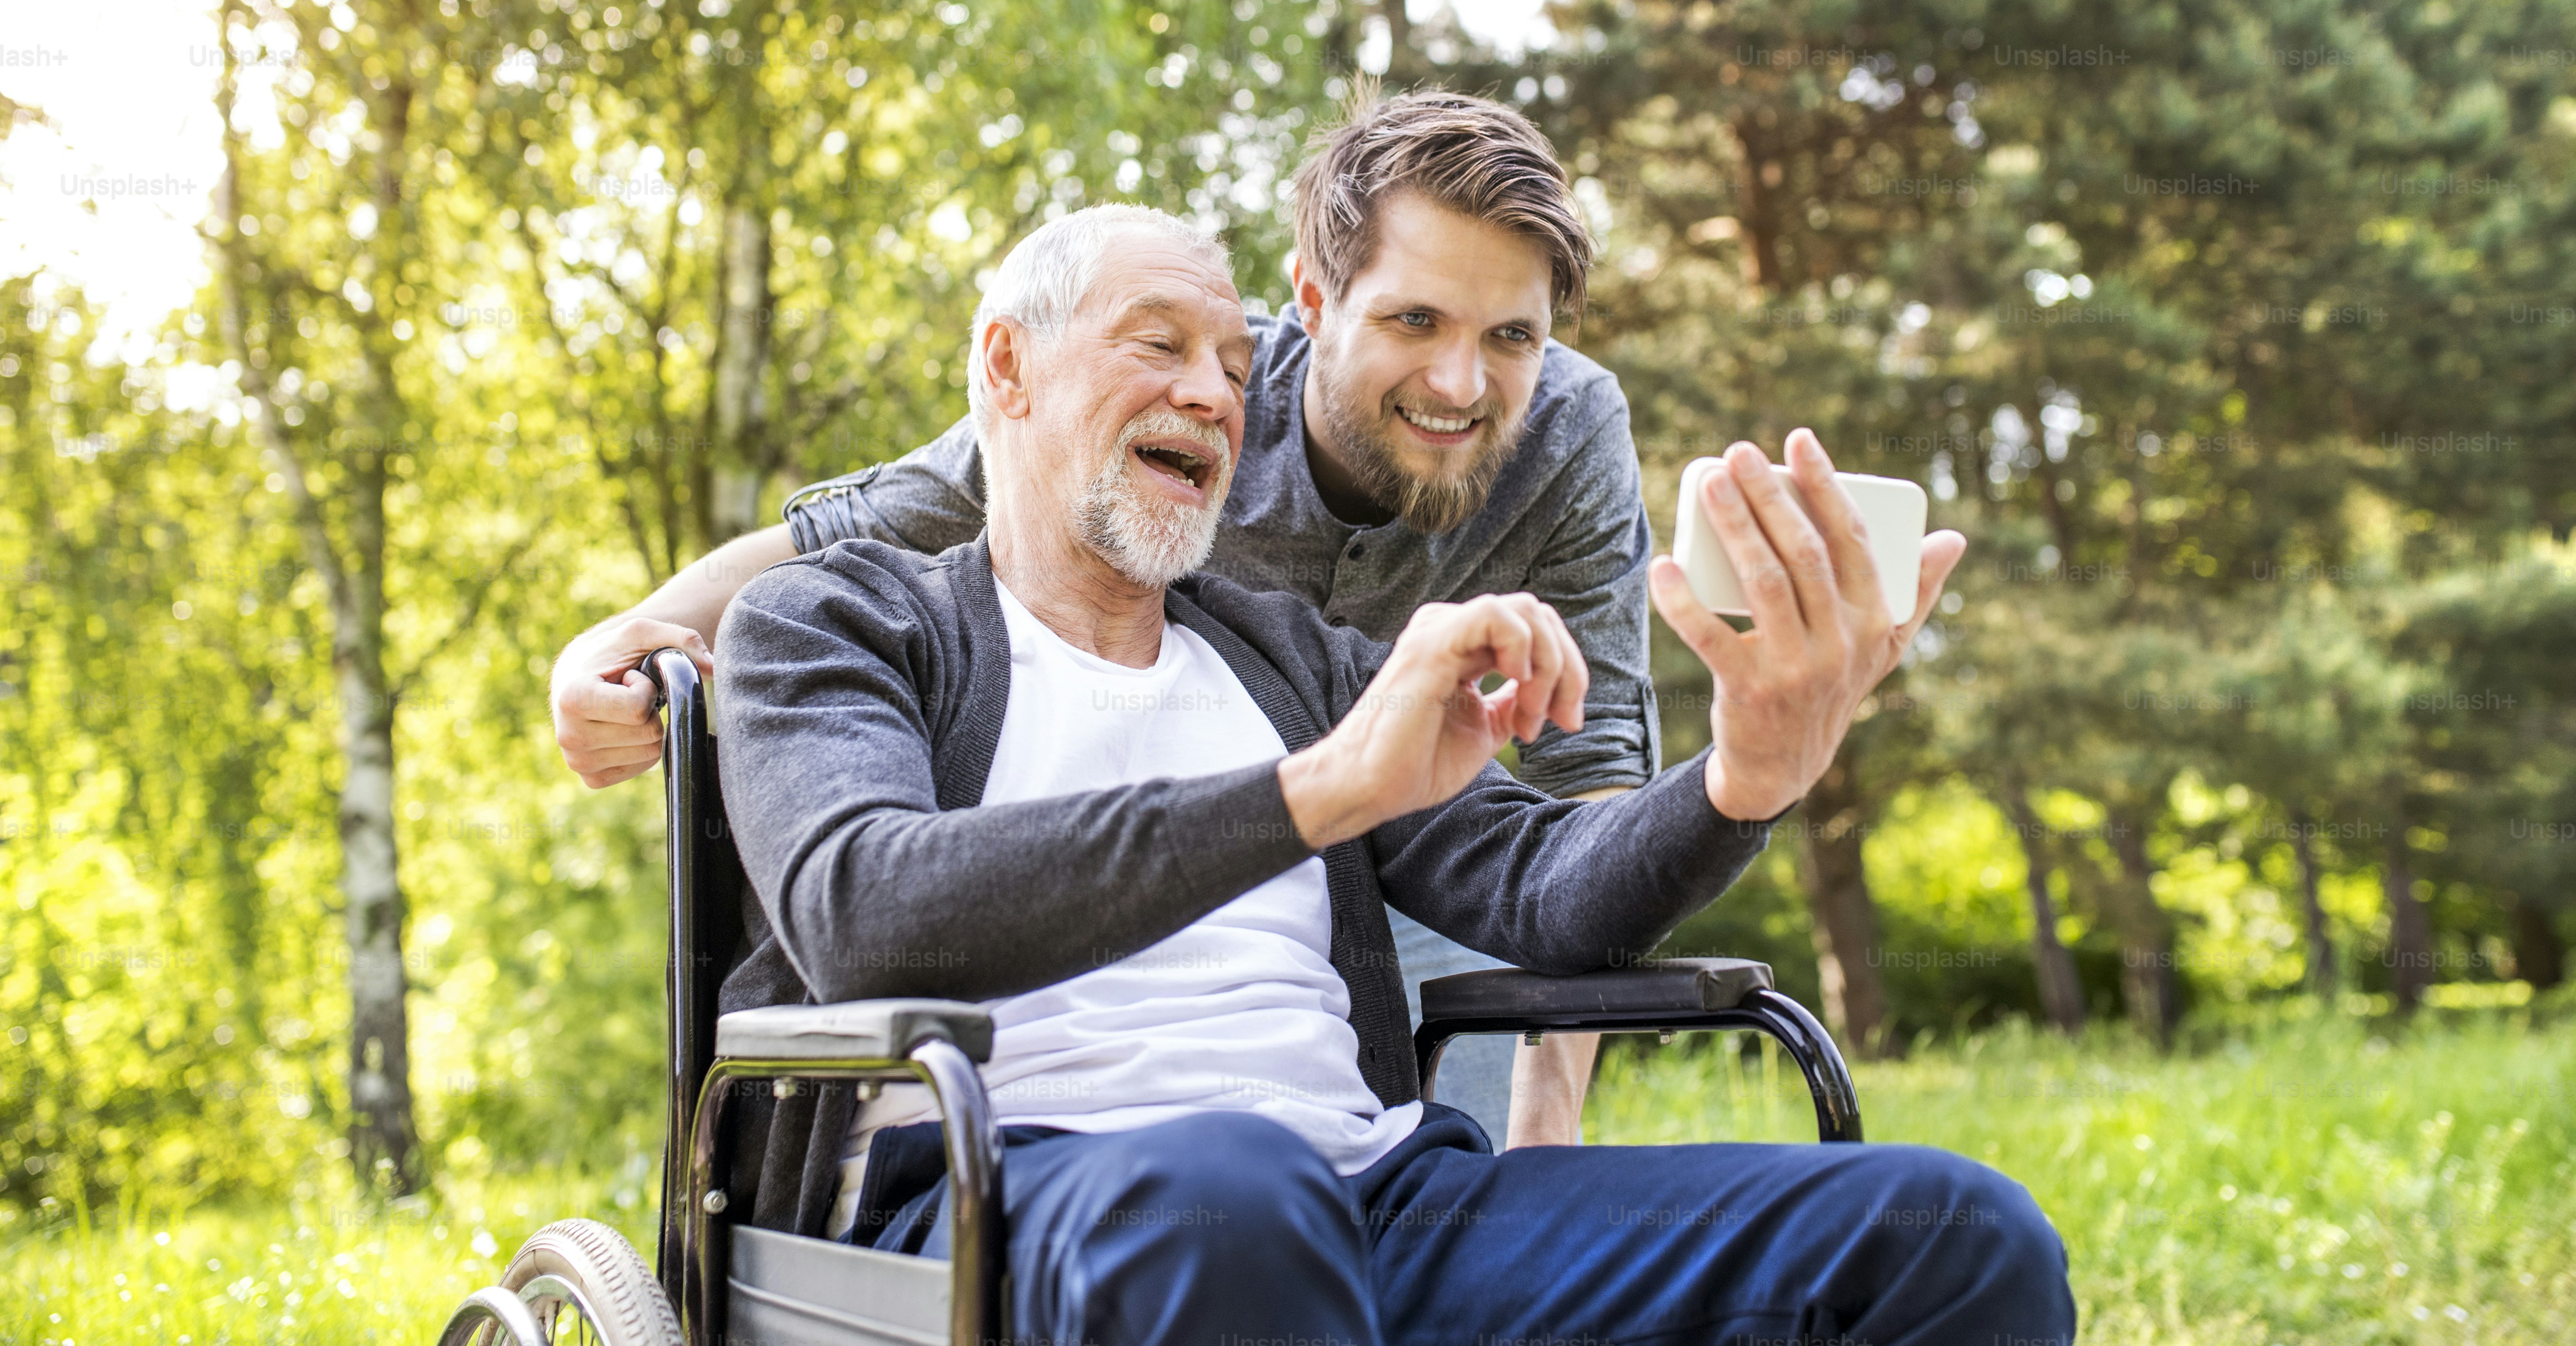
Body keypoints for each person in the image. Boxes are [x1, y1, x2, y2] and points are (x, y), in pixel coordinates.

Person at [710, 207, 2068, 1346]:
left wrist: (1744, 775)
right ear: (1007, 366)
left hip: (1372, 1202)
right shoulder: (839, 623)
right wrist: (1315, 793)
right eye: (1159, 345)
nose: (1213, 394)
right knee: (1239, 1196)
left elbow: (1543, 891)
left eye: (1234, 365)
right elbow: (866, 911)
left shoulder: (1295, 661)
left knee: (1954, 1235)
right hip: (1004, 1207)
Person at [555, 87, 1666, 1146]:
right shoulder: (1171, 402)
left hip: (1413, 854)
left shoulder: (1567, 434)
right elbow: (860, 523)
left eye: (1510, 336)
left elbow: (1591, 765)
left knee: (1459, 1170)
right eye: (1413, 319)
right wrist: (627, 638)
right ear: (1315, 304)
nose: (1460, 382)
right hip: (1143, 856)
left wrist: (1546, 1121)